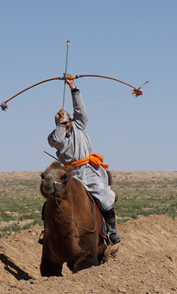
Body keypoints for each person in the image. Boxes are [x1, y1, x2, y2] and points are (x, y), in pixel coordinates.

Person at [44, 78, 122, 244]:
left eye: (67, 122)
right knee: (52, 201)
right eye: (62, 124)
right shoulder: (54, 137)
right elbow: (58, 139)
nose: (67, 125)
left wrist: (73, 88)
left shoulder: (79, 125)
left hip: (89, 170)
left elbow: (81, 111)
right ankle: (48, 233)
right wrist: (60, 123)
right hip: (69, 175)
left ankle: (112, 231)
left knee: (105, 195)